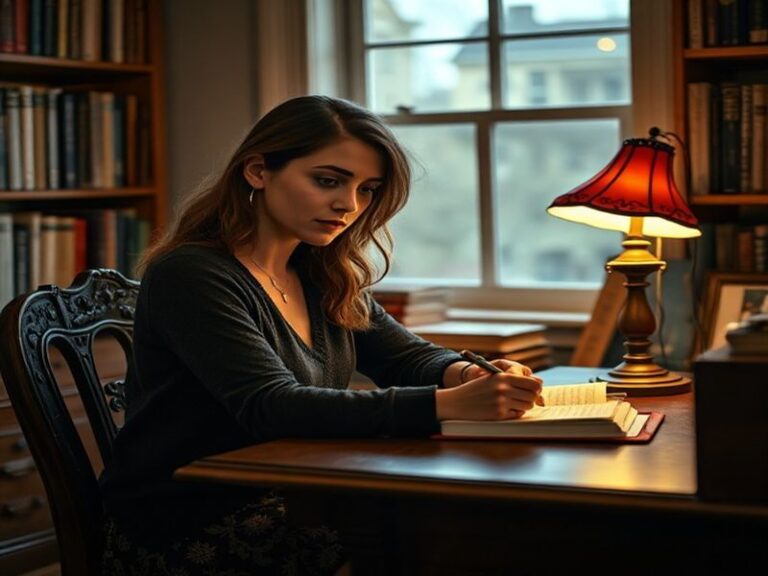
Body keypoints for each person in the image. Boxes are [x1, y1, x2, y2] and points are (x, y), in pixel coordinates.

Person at [99, 95, 543, 575]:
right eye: (327, 181)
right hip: (191, 519)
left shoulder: (319, 271)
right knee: (448, 531)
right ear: (257, 171)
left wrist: (462, 375)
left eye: (367, 189)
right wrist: (451, 405)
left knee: (484, 522)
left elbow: (403, 357)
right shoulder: (191, 274)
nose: (348, 205)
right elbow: (272, 406)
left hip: (297, 486)